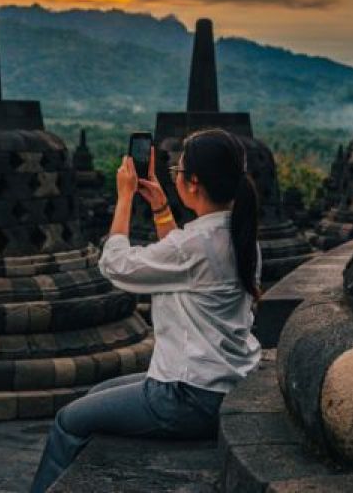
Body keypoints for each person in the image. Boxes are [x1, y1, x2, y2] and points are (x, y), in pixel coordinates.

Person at [29, 128, 263, 492]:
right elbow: (184, 265)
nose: (175, 177)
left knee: (68, 421)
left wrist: (124, 198)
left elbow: (115, 266)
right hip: (223, 382)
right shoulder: (241, 238)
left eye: (178, 171)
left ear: (194, 182)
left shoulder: (195, 245)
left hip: (188, 397)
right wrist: (160, 207)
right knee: (96, 394)